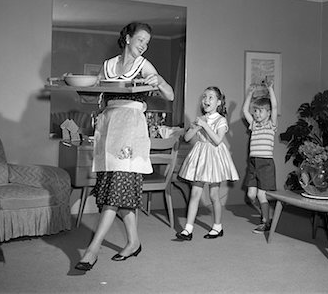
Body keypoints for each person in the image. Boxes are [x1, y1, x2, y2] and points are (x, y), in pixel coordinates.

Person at [75, 22, 174, 271]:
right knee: (116, 189)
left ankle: (92, 249)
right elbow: (95, 95)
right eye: (141, 40)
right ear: (128, 38)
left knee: (114, 192)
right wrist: (83, 90)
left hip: (131, 132)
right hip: (108, 130)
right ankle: (133, 243)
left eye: (147, 42)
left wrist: (159, 80)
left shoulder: (144, 65)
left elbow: (170, 95)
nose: (144, 46)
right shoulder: (108, 65)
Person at [176, 87, 239, 241]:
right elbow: (187, 137)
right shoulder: (201, 118)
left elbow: (217, 141)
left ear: (218, 102)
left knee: (213, 194)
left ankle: (217, 226)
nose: (206, 100)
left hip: (214, 158)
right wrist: (197, 126)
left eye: (211, 97)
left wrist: (205, 126)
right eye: (204, 96)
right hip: (200, 156)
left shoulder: (221, 120)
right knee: (195, 193)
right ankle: (188, 229)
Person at [242, 81, 278, 234]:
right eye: (255, 111)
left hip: (265, 163)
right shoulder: (254, 125)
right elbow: (245, 111)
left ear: (268, 113)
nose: (256, 114)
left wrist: (270, 89)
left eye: (260, 111)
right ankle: (266, 214)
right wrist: (250, 94)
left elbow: (275, 106)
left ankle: (266, 221)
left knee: (261, 194)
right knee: (251, 195)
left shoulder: (271, 125)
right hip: (253, 163)